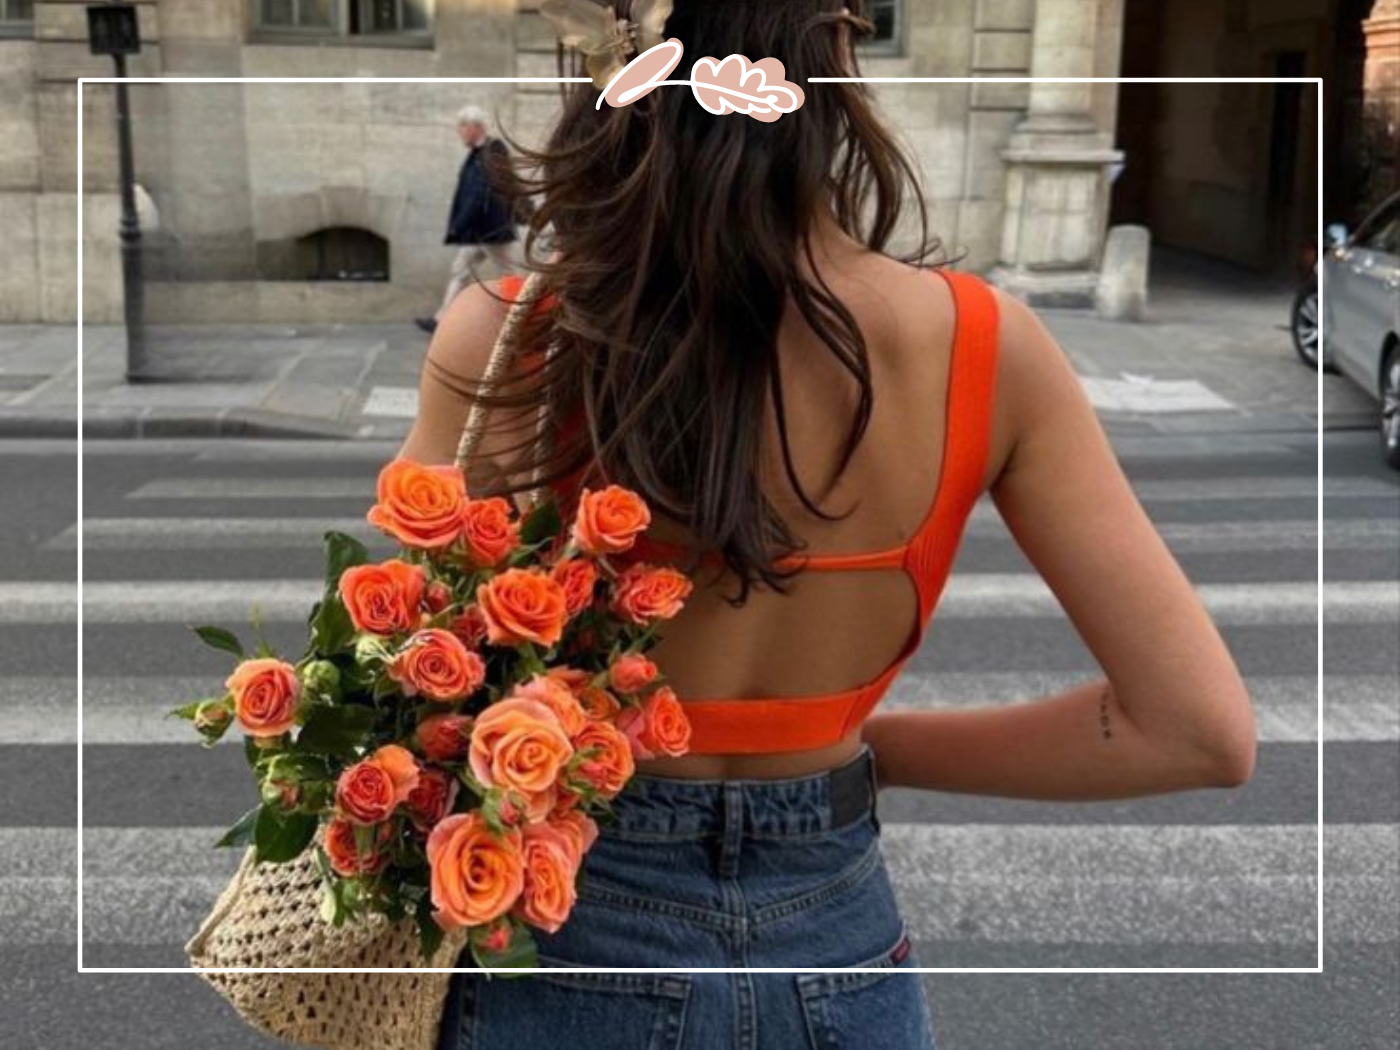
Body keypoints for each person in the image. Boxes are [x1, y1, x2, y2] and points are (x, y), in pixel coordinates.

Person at [397, 2, 1258, 1047]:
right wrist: (871, 753)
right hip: (839, 946)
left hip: (570, 922)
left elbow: (413, 684)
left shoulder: (510, 336)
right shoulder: (987, 347)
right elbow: (1194, 732)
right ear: (834, 59)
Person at [416, 106, 523, 335]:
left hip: (491, 227)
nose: (460, 132)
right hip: (479, 228)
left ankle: (522, 318)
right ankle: (440, 320)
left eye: (463, 126)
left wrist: (460, 223)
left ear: (476, 127)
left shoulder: (492, 150)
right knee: (460, 271)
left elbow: (482, 192)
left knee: (508, 273)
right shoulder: (478, 152)